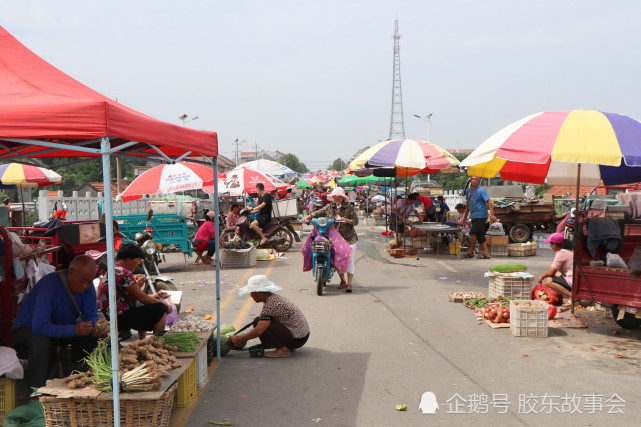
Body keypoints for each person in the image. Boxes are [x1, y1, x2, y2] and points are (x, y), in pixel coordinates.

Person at [12, 255, 100, 389]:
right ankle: (38, 393)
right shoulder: (49, 286)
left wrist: (93, 326)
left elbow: (91, 314)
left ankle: (85, 382)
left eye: (90, 281)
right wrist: (74, 330)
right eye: (83, 280)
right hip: (29, 329)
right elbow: (40, 327)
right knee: (41, 343)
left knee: (92, 339)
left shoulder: (87, 287)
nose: (86, 285)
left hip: (61, 326)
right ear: (71, 272)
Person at [97, 243, 172, 339]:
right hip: (116, 316)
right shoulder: (123, 272)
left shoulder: (114, 270)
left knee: (147, 305)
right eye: (137, 259)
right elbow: (142, 298)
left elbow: (137, 297)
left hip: (109, 314)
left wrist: (153, 295)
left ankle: (143, 341)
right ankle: (157, 343)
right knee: (160, 308)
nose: (137, 263)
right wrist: (165, 305)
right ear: (129, 259)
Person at [226, 275, 310, 358]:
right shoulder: (273, 299)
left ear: (260, 292)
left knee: (259, 324)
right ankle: (286, 345)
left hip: (297, 339)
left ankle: (283, 349)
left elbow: (259, 331)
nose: (251, 295)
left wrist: (239, 339)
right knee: (258, 321)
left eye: (252, 292)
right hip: (301, 337)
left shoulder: (271, 304)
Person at [303, 187, 359, 292]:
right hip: (335, 238)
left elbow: (355, 221)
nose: (335, 197)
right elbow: (318, 213)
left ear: (342, 197)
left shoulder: (349, 207)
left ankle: (349, 283)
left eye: (337, 195)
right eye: (334, 195)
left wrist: (346, 220)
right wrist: (307, 217)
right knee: (336, 258)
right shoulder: (330, 206)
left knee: (349, 259)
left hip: (349, 238)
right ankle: (342, 280)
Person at [461, 177, 497, 259]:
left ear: (478, 181)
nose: (474, 180)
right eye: (473, 179)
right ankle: (487, 254)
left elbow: (488, 201)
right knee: (480, 235)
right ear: (470, 180)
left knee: (473, 232)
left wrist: (492, 214)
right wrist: (464, 218)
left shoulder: (481, 190)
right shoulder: (469, 191)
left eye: (476, 179)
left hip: (481, 215)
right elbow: (468, 204)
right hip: (473, 216)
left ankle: (471, 252)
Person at [538, 232, 574, 304]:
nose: (551, 247)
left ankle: (571, 295)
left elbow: (551, 272)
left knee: (549, 281)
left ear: (554, 244)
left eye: (551, 244)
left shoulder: (561, 253)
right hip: (573, 277)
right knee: (557, 274)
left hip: (572, 279)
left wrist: (542, 276)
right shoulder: (568, 250)